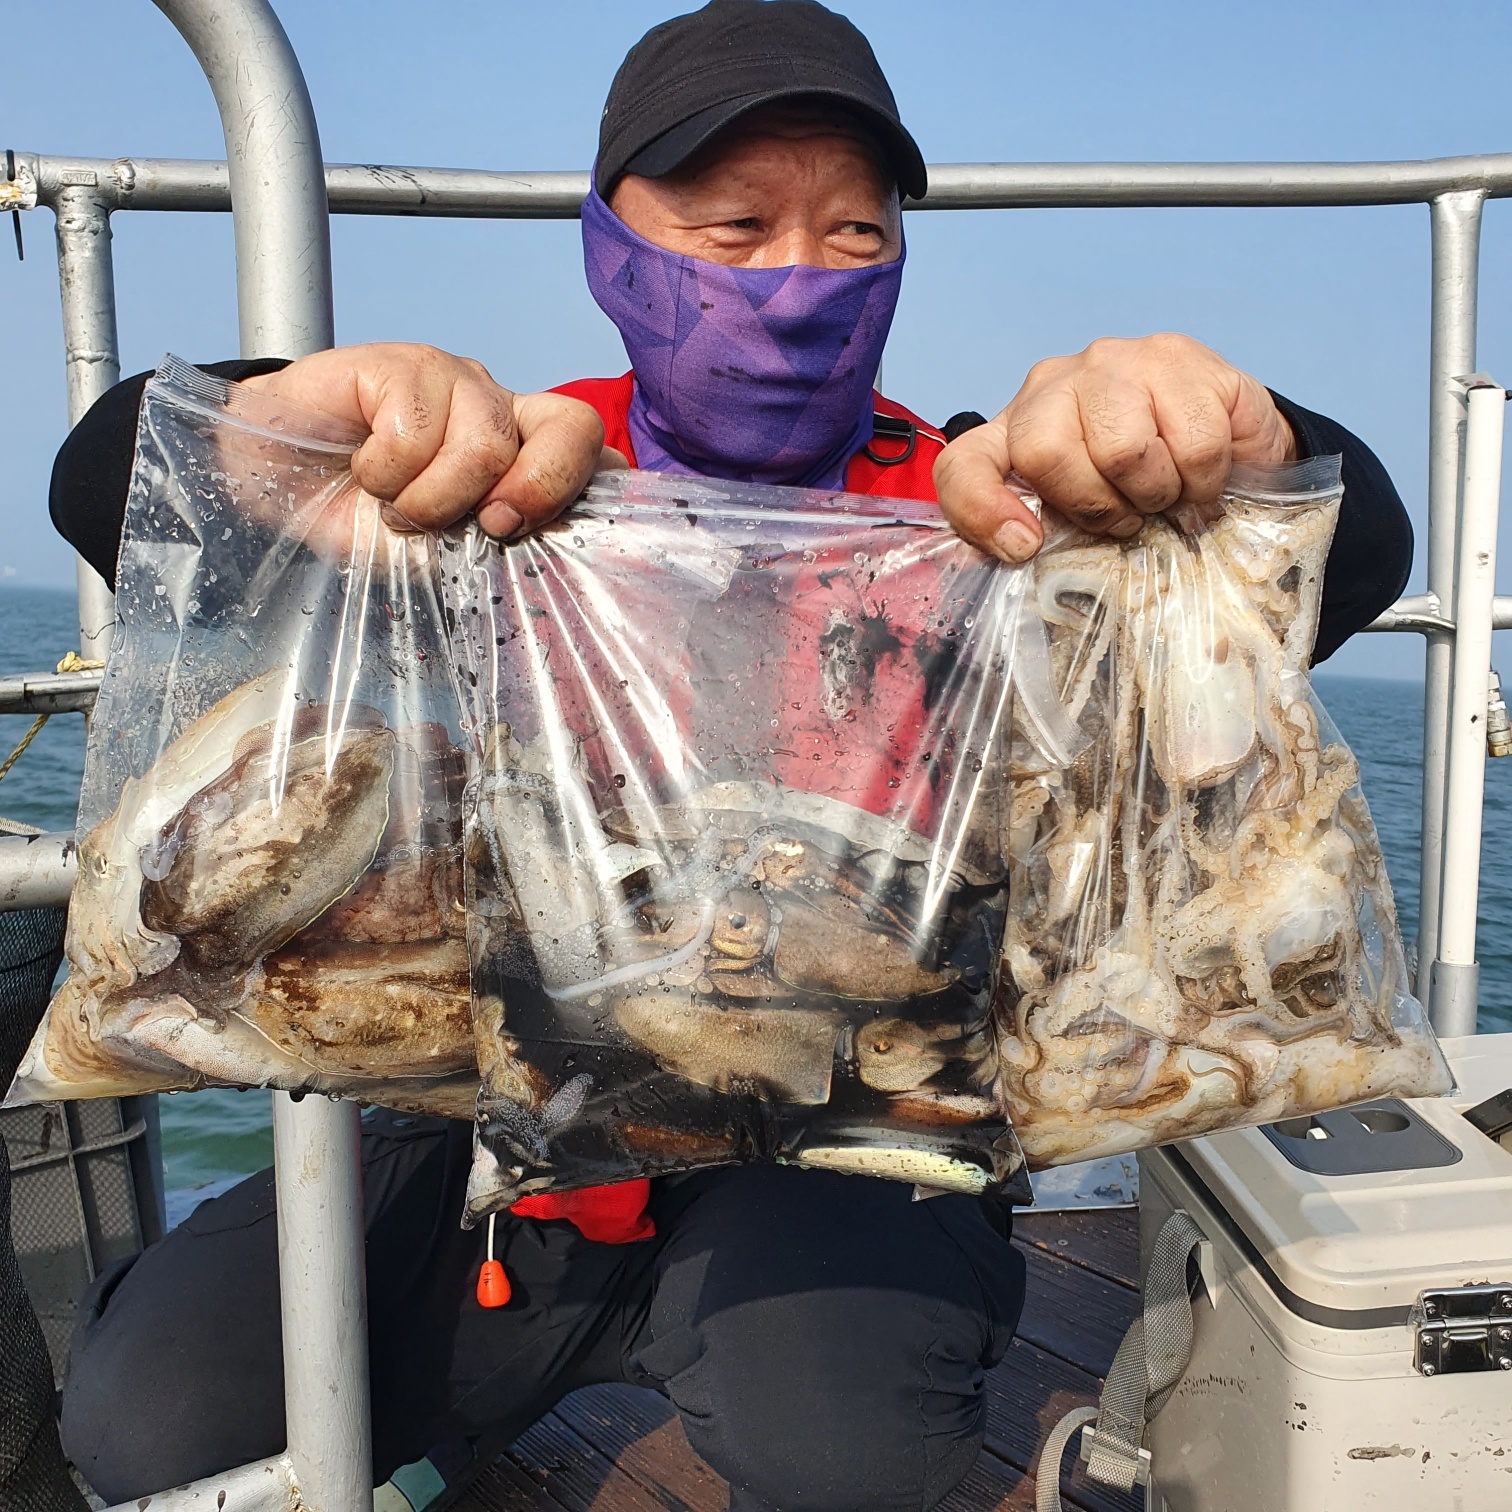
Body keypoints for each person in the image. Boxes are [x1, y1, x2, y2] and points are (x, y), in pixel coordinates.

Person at [50, 3, 1412, 1508]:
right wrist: (275, 426)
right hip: (491, 1130)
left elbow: (1347, 560)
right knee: (148, 1417)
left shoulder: (993, 514)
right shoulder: (486, 489)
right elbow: (113, 487)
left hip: (853, 1130)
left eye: (854, 235)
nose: (795, 279)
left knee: (839, 1448)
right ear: (609, 246)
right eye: (733, 227)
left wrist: (1238, 438)